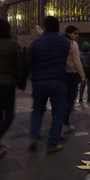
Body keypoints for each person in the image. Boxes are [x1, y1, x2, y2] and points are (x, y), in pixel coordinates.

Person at [26, 16, 70, 153]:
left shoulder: (35, 43)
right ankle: (51, 144)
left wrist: (22, 81)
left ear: (44, 27)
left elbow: (28, 62)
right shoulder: (65, 42)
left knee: (37, 110)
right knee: (57, 113)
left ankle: (34, 137)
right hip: (59, 80)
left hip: (39, 81)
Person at [0, 20, 26, 157]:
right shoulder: (13, 45)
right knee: (9, 115)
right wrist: (22, 83)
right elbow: (20, 66)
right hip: (7, 85)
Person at [62, 26, 86, 137]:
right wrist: (82, 76)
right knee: (70, 101)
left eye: (78, 33)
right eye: (75, 33)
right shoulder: (73, 44)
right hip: (71, 74)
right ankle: (64, 124)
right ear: (68, 33)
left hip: (61, 75)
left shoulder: (61, 42)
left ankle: (60, 124)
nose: (77, 35)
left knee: (62, 101)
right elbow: (77, 62)